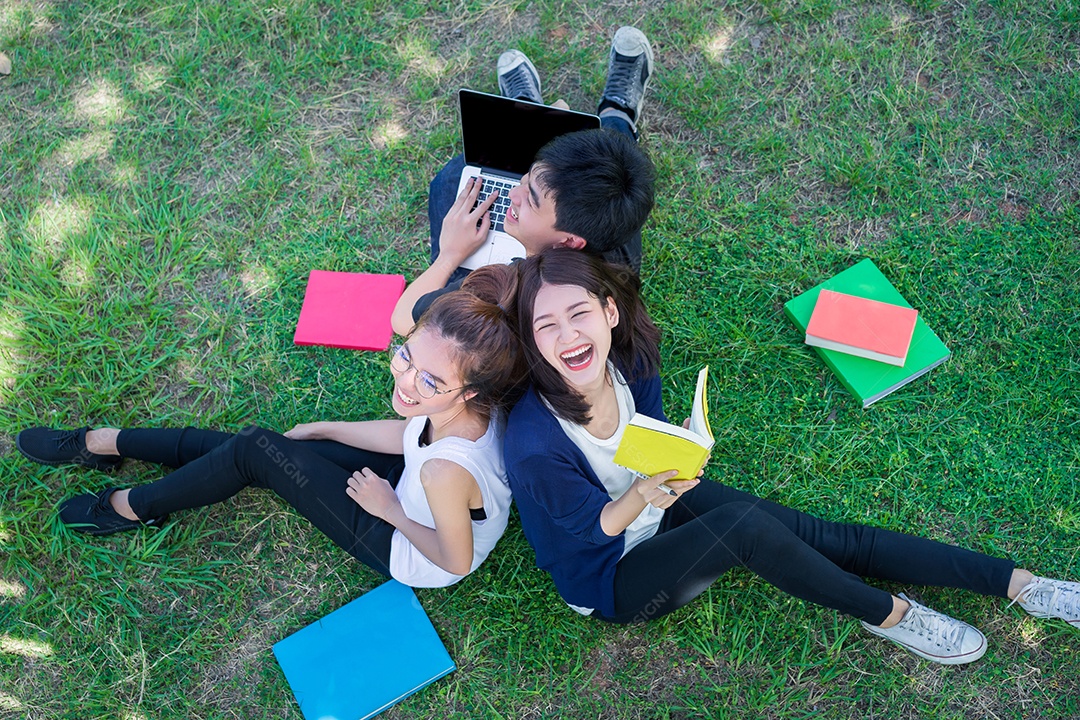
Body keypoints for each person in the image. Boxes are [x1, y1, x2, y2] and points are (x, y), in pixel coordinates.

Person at [503, 248, 1079, 664]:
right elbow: (597, 530)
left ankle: (1019, 584)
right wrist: (644, 491)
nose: (568, 336)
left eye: (578, 313)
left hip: (660, 496)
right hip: (611, 573)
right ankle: (891, 616)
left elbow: (643, 430)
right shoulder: (534, 443)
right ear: (532, 339)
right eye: (546, 325)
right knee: (743, 529)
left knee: (823, 535)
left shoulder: (630, 357)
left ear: (608, 311)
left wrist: (676, 452)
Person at [18, 266, 526, 588]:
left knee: (257, 450)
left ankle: (129, 506)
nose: (407, 382)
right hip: (410, 486)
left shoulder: (444, 471)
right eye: (406, 357)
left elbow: (456, 560)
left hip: (411, 547)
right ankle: (103, 443)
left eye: (430, 380)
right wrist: (333, 427)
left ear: (469, 392)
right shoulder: (474, 399)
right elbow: (407, 439)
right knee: (258, 445)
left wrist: (389, 510)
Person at [390, 26, 657, 336]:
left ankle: (558, 107)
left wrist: (449, 254)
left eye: (530, 199)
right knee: (616, 150)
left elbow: (405, 321)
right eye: (527, 177)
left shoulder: (518, 287)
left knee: (451, 181)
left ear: (569, 243)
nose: (513, 192)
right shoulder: (614, 221)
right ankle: (605, 111)